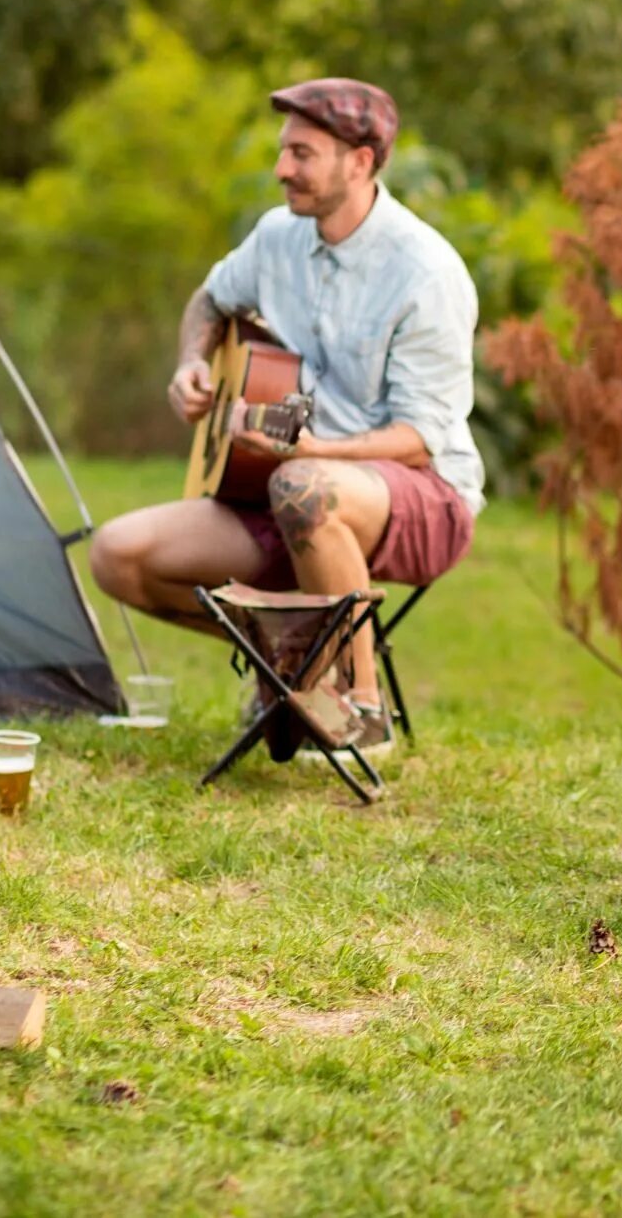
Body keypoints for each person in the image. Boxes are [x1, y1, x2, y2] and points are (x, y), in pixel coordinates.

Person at [90, 79, 484, 757]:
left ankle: (361, 707)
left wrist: (319, 448)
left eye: (302, 153)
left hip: (417, 495)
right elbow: (211, 301)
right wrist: (191, 363)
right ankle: (296, 666)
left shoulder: (425, 272)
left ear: (360, 162)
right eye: (283, 152)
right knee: (118, 556)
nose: (281, 170)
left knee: (304, 485)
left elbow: (420, 438)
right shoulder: (277, 237)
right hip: (281, 485)